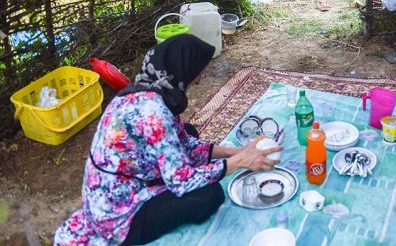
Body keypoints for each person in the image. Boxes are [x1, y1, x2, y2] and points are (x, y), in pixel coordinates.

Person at [54, 35, 281, 245]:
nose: (199, 79)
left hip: (120, 182)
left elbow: (184, 142)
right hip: (118, 213)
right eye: (198, 70)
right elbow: (182, 181)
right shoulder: (154, 113)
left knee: (188, 132)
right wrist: (241, 161)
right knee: (209, 196)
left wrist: (237, 151)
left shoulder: (144, 92)